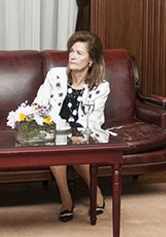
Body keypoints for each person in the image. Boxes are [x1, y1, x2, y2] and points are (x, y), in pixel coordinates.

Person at [31, 30, 110, 222]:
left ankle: (96, 192)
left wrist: (77, 134)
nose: (72, 56)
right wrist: (60, 126)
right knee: (58, 142)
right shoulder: (55, 76)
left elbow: (94, 120)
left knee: (75, 144)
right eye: (71, 51)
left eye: (79, 53)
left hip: (86, 132)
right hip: (54, 130)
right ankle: (65, 198)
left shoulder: (101, 86)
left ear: (91, 60)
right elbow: (38, 107)